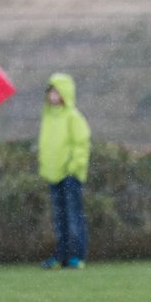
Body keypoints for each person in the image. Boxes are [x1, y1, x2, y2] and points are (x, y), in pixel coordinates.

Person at [38, 73, 91, 270]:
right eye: (50, 91)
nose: (52, 95)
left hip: (70, 175)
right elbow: (47, 144)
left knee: (73, 215)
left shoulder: (73, 117)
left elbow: (81, 144)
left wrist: (74, 167)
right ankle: (61, 255)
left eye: (56, 91)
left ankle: (76, 255)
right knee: (59, 218)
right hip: (53, 173)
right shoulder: (48, 118)